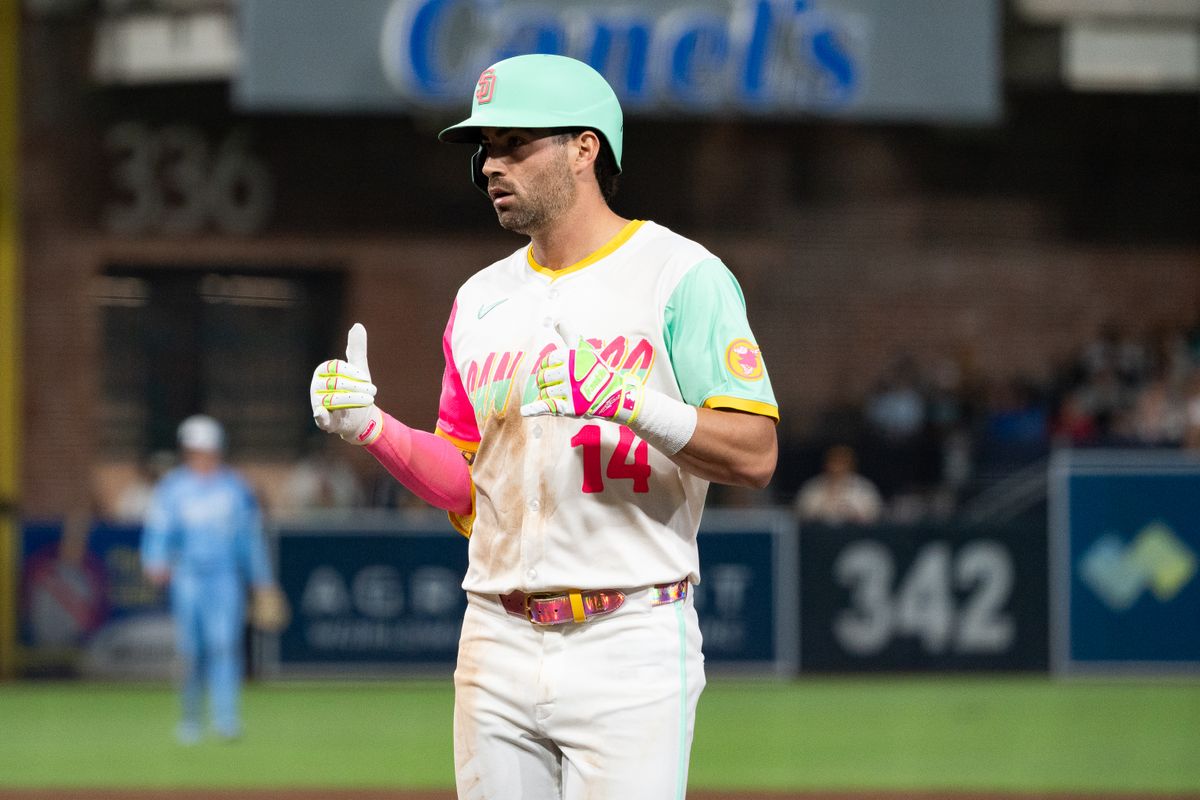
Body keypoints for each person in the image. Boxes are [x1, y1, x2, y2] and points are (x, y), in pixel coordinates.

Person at [309, 54, 779, 799]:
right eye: (485, 149)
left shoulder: (679, 276)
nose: (492, 164)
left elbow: (756, 453)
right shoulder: (480, 299)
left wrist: (634, 402)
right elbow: (466, 484)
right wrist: (373, 430)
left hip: (629, 632)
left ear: (585, 147)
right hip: (494, 634)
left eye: (514, 143)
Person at [140, 414, 277, 744]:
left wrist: (262, 580)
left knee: (224, 646)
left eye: (205, 448)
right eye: (194, 449)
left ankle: (226, 719)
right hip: (188, 576)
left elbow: (250, 537)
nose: (199, 455)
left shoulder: (234, 488)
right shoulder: (173, 488)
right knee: (190, 650)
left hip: (225, 577)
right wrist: (154, 560)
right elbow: (159, 530)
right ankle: (190, 720)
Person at [794, 444, 883, 526]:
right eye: (834, 462)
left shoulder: (865, 488)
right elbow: (803, 514)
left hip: (856, 537)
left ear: (851, 464)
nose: (837, 467)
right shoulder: (813, 487)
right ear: (826, 464)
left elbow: (875, 515)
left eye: (842, 462)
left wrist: (852, 513)